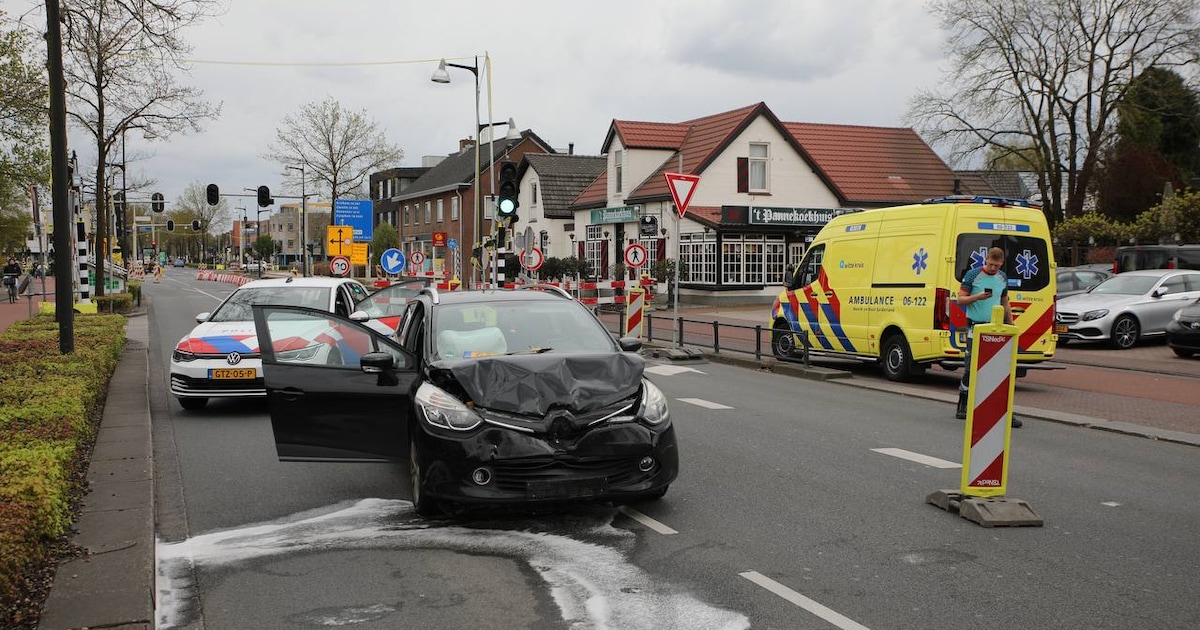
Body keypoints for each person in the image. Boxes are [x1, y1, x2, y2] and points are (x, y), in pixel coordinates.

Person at [956, 246, 1022, 427]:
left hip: (996, 328)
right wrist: (977, 297)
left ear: (1001, 263)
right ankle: (964, 403)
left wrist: (1011, 323)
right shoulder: (973, 275)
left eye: (996, 265)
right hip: (976, 327)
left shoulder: (1002, 277)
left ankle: (1002, 410)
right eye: (990, 264)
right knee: (971, 368)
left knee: (999, 370)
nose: (993, 268)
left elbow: (1004, 301)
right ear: (986, 260)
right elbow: (960, 299)